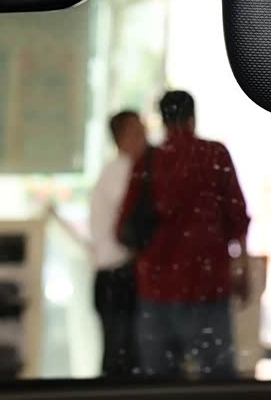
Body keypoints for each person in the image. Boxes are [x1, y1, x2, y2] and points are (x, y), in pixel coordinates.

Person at [117, 90, 250, 379]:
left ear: (163, 121)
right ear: (192, 118)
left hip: (156, 289)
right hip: (208, 285)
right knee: (217, 380)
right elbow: (237, 217)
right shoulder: (215, 155)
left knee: (160, 383)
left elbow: (124, 226)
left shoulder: (148, 161)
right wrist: (242, 267)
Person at [89, 110, 147, 377]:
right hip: (117, 275)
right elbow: (129, 225)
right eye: (136, 131)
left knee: (122, 354)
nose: (144, 136)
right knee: (121, 358)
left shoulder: (120, 171)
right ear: (121, 138)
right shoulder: (122, 172)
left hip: (115, 276)